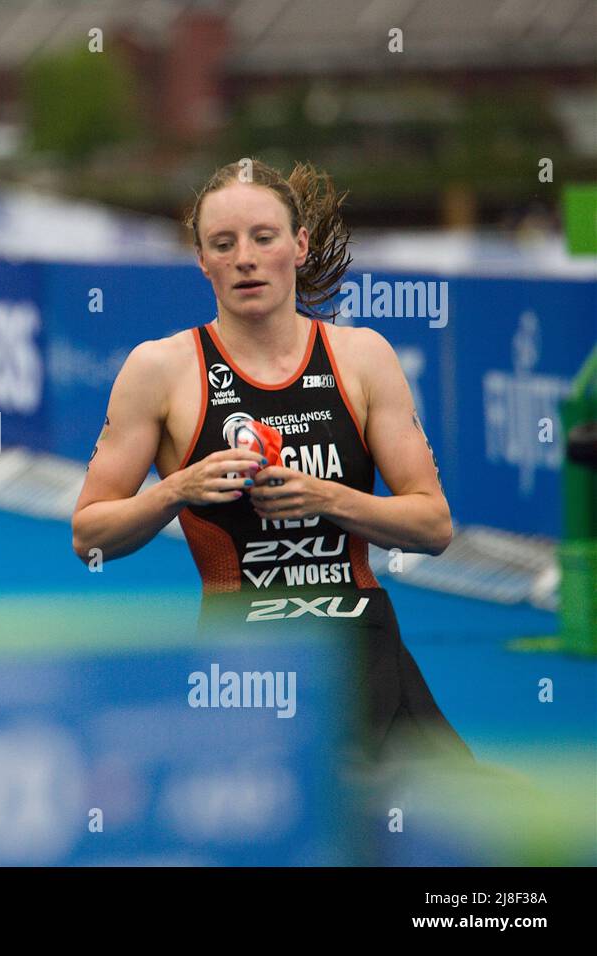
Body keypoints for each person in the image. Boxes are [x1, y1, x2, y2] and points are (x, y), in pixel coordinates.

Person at [71, 159, 471, 764]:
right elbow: (89, 534)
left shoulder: (362, 358)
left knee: (461, 839)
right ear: (202, 260)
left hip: (364, 646)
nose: (246, 259)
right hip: (243, 659)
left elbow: (434, 527)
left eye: (264, 238)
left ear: (299, 244)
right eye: (223, 244)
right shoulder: (159, 370)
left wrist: (327, 498)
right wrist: (177, 487)